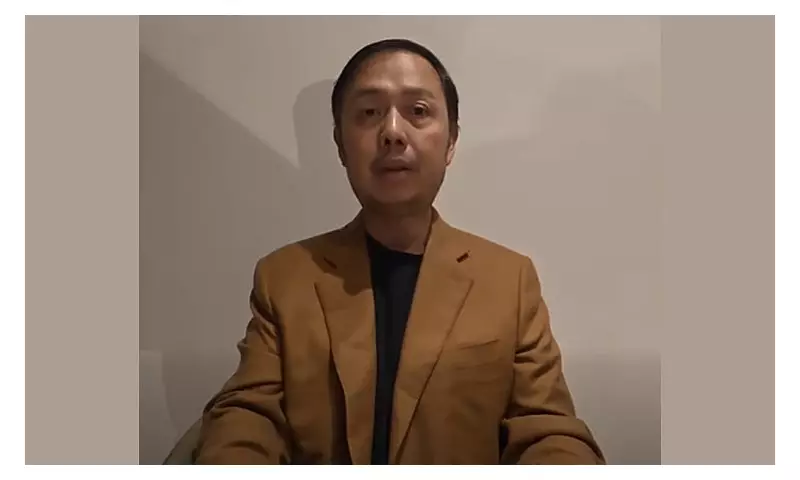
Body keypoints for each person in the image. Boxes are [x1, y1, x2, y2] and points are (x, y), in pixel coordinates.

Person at [193, 38, 605, 465]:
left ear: (451, 142)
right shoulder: (284, 277)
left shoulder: (509, 280)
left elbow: (546, 428)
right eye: (369, 113)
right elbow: (247, 416)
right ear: (340, 144)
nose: (392, 131)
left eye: (418, 111)